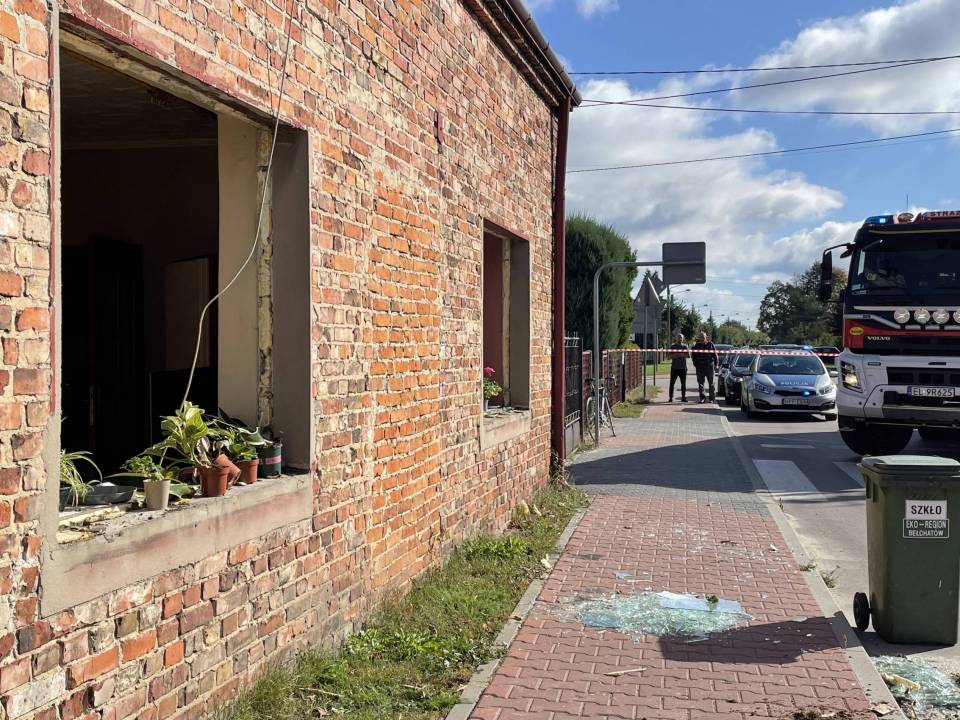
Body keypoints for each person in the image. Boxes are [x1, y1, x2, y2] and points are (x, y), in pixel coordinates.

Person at [692, 331, 720, 403]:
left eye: (703, 337)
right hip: (700, 367)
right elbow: (693, 357)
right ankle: (702, 398)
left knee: (711, 384)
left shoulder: (710, 344)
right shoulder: (696, 346)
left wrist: (716, 365)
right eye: (700, 337)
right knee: (700, 384)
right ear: (699, 338)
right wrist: (696, 364)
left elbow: (715, 355)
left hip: (709, 366)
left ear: (706, 337)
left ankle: (711, 398)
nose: (702, 339)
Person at [667, 333, 690, 403]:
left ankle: (683, 397)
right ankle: (670, 398)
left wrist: (678, 354)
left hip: (683, 368)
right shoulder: (673, 346)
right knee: (672, 383)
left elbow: (688, 355)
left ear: (683, 339)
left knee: (683, 384)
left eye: (681, 338)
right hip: (674, 368)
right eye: (679, 337)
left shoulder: (685, 346)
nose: (680, 339)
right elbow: (670, 356)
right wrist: (680, 355)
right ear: (676, 338)